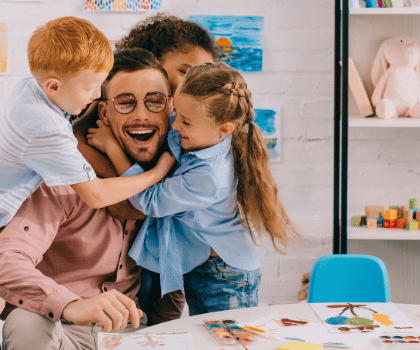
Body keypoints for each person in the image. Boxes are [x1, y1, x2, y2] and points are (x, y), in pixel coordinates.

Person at [0, 16, 173, 322]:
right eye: (91, 88)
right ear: (53, 86)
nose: (96, 97)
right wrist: (156, 174)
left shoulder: (30, 89)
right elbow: (95, 194)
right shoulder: (47, 128)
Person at [87, 62, 302, 316]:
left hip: (225, 274)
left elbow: (150, 201)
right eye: (175, 113)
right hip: (202, 265)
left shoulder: (210, 176)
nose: (175, 126)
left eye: (185, 121)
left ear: (224, 130)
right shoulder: (203, 134)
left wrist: (112, 148)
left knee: (227, 342)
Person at [72, 13, 218, 325]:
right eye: (185, 72)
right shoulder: (96, 113)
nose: (197, 81)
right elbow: (127, 205)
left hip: (167, 252)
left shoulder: (185, 122)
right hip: (126, 257)